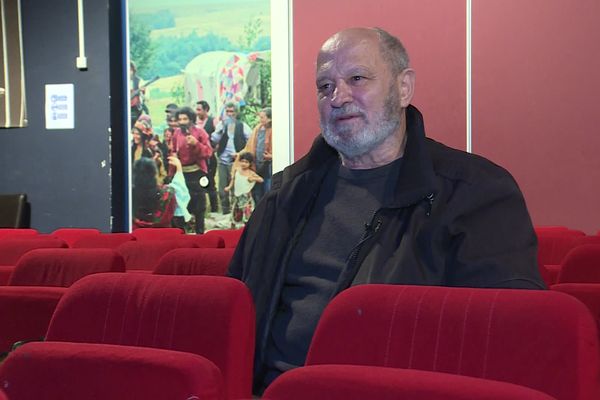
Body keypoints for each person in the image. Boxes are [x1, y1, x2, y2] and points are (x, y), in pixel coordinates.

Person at [227, 27, 545, 394]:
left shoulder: (477, 195)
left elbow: (506, 341)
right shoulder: (283, 197)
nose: (337, 97)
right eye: (324, 86)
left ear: (404, 87)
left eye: (356, 78)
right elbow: (236, 316)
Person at [171, 106, 213, 234]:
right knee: (183, 203)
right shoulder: (176, 133)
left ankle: (200, 233)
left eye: (185, 118)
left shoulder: (200, 133)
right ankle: (183, 234)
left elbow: (209, 152)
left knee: (199, 204)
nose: (182, 121)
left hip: (197, 172)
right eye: (180, 119)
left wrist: (196, 144)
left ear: (191, 119)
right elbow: (173, 149)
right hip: (182, 173)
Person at [211, 102, 251, 214]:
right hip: (222, 161)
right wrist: (221, 129)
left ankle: (235, 213)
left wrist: (241, 153)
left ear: (236, 113)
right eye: (227, 111)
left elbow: (251, 140)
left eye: (232, 111)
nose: (229, 114)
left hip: (237, 162)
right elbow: (213, 139)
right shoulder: (221, 125)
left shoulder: (242, 126)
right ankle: (225, 212)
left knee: (235, 189)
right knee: (222, 189)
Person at [132, 155, 191, 229]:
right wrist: (179, 169)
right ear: (154, 174)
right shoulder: (167, 193)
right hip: (163, 235)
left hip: (137, 235)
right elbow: (180, 190)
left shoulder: (128, 195)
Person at [224, 151, 263, 228]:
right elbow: (233, 180)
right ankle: (233, 229)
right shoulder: (237, 170)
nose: (244, 164)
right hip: (237, 196)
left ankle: (247, 229)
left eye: (246, 162)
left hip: (246, 197)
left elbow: (261, 180)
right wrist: (229, 187)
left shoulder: (251, 173)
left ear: (250, 163)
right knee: (235, 214)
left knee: (247, 215)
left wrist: (253, 178)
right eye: (242, 161)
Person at [243, 107, 272, 203]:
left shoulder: (275, 129)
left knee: (268, 189)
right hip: (256, 164)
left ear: (269, 118)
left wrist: (272, 156)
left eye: (262, 117)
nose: (260, 120)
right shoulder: (258, 128)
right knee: (257, 192)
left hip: (269, 165)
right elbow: (250, 145)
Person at [196, 100, 219, 212]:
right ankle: (201, 208)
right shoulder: (195, 123)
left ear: (206, 110)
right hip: (199, 158)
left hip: (209, 158)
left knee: (210, 182)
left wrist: (214, 150)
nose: (197, 112)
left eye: (199, 109)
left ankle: (214, 208)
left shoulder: (213, 121)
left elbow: (220, 136)